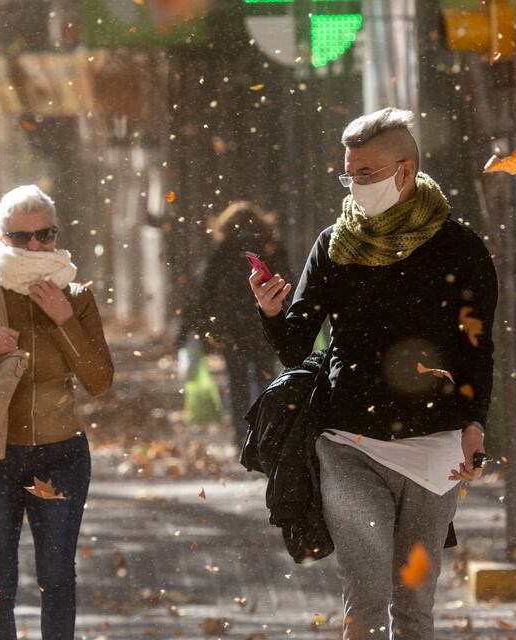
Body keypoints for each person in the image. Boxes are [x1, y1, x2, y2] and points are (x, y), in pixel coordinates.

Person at [249, 108, 496, 639]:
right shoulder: (336, 245)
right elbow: (296, 347)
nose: (355, 186)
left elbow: (477, 348)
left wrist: (474, 424)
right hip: (348, 444)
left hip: (434, 449)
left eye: (367, 174)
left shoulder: (459, 249)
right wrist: (272, 313)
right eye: (348, 174)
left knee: (414, 607)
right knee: (368, 598)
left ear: (404, 171)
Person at [0, 185, 114, 639]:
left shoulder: (78, 297)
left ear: (56, 234)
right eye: (21, 237)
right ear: (0, 237)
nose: (34, 246)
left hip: (61, 456)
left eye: (44, 235)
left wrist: (65, 319)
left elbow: (99, 381)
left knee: (57, 577)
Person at [179, 201, 287, 443]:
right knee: (265, 376)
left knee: (236, 380)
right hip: (265, 323)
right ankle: (266, 432)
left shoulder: (223, 249)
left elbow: (206, 290)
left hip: (231, 328)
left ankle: (242, 435)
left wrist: (200, 324)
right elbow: (287, 280)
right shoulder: (271, 248)